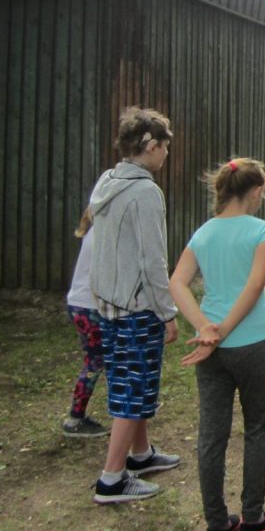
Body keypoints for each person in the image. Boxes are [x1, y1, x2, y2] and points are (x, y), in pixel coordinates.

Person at [169, 158, 265, 531]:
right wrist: (218, 333)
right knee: (257, 428)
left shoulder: (203, 233)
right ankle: (252, 518)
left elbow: (177, 283)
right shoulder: (262, 231)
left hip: (210, 352)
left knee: (212, 433)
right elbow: (254, 287)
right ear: (256, 191)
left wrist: (206, 328)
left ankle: (217, 523)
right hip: (253, 345)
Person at [90, 107, 180, 504]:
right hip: (137, 308)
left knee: (130, 382)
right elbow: (152, 260)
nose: (166, 155)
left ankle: (140, 455)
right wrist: (167, 312)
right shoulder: (145, 192)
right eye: (165, 147)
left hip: (109, 305)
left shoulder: (108, 181)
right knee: (132, 389)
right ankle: (112, 479)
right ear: (152, 146)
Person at [61, 207, 109, 438]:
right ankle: (75, 418)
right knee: (95, 361)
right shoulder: (102, 234)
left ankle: (127, 403)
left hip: (82, 305)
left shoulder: (95, 230)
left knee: (105, 357)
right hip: (89, 307)